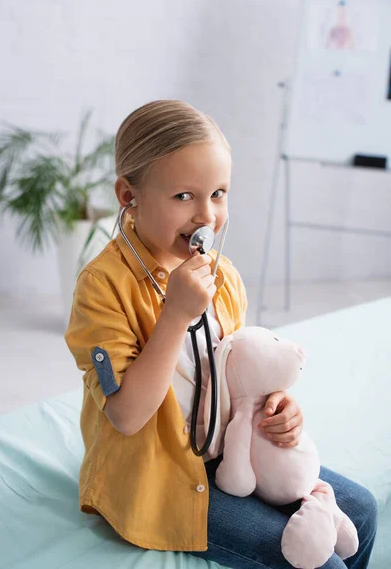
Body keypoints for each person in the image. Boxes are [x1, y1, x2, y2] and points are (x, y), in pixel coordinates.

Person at [64, 100, 377, 568]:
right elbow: (126, 415)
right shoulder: (102, 287)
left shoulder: (222, 275)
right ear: (128, 196)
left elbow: (238, 373)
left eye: (219, 193)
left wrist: (278, 407)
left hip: (235, 454)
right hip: (161, 477)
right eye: (183, 197)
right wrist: (174, 316)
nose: (206, 216)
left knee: (365, 512)